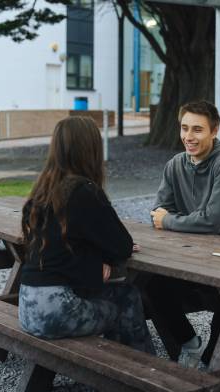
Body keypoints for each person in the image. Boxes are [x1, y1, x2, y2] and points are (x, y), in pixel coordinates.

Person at [19, 116, 154, 355]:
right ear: (89, 150)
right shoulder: (83, 192)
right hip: (55, 312)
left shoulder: (43, 191)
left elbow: (66, 245)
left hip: (27, 307)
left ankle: (114, 377)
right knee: (126, 298)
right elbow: (122, 246)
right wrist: (102, 259)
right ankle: (146, 375)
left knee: (107, 296)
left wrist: (94, 259)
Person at [148, 100, 220, 368]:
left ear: (214, 131)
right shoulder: (175, 165)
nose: (188, 137)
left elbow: (212, 222)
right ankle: (190, 344)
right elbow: (157, 211)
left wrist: (170, 220)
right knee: (149, 283)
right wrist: (171, 219)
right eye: (184, 128)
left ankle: (215, 362)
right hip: (191, 256)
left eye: (197, 130)